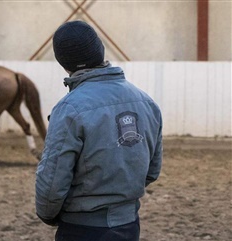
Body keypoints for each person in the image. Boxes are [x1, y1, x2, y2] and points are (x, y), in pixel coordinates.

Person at [35, 20, 163, 241]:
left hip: (82, 228)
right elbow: (152, 171)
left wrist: (49, 215)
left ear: (63, 62)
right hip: (129, 226)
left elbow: (52, 182)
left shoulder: (69, 109)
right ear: (100, 49)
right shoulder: (147, 102)